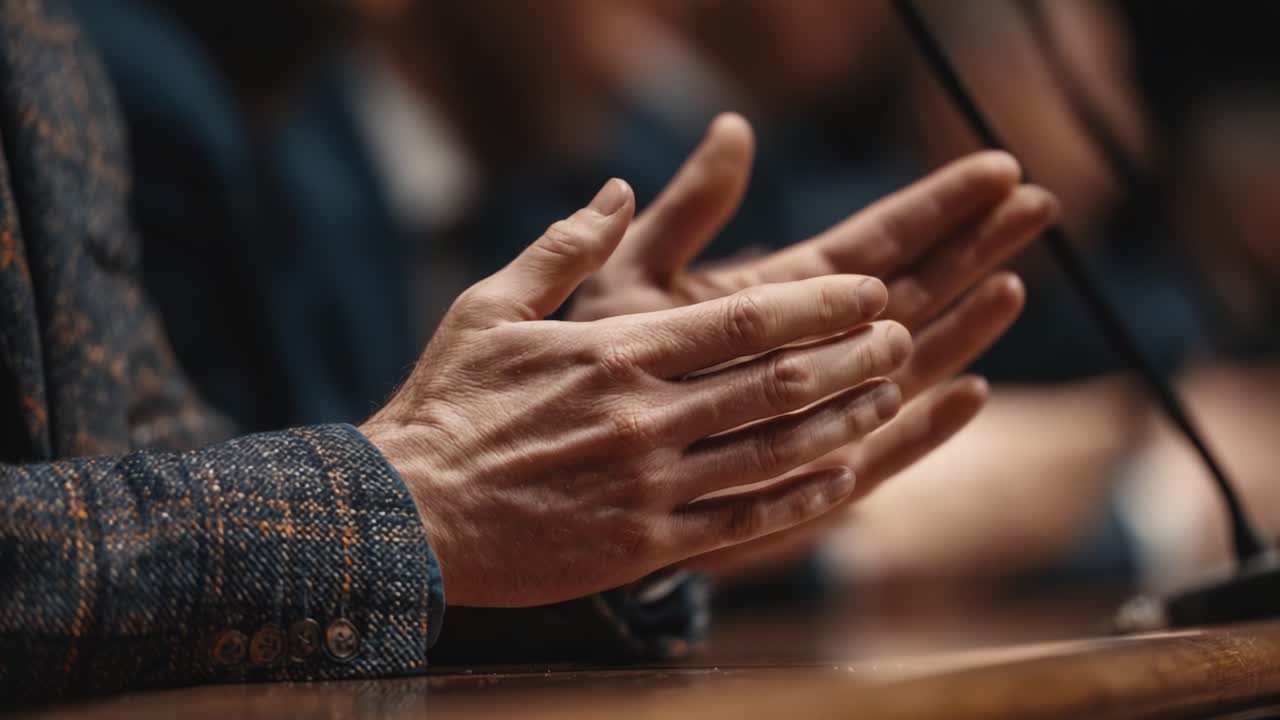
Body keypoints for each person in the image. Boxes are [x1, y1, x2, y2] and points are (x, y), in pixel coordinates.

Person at [0, 0, 1059, 702]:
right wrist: (413, 500)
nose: (649, 40)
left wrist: (620, 498)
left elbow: (162, 471)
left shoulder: (48, 51)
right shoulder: (205, 113)